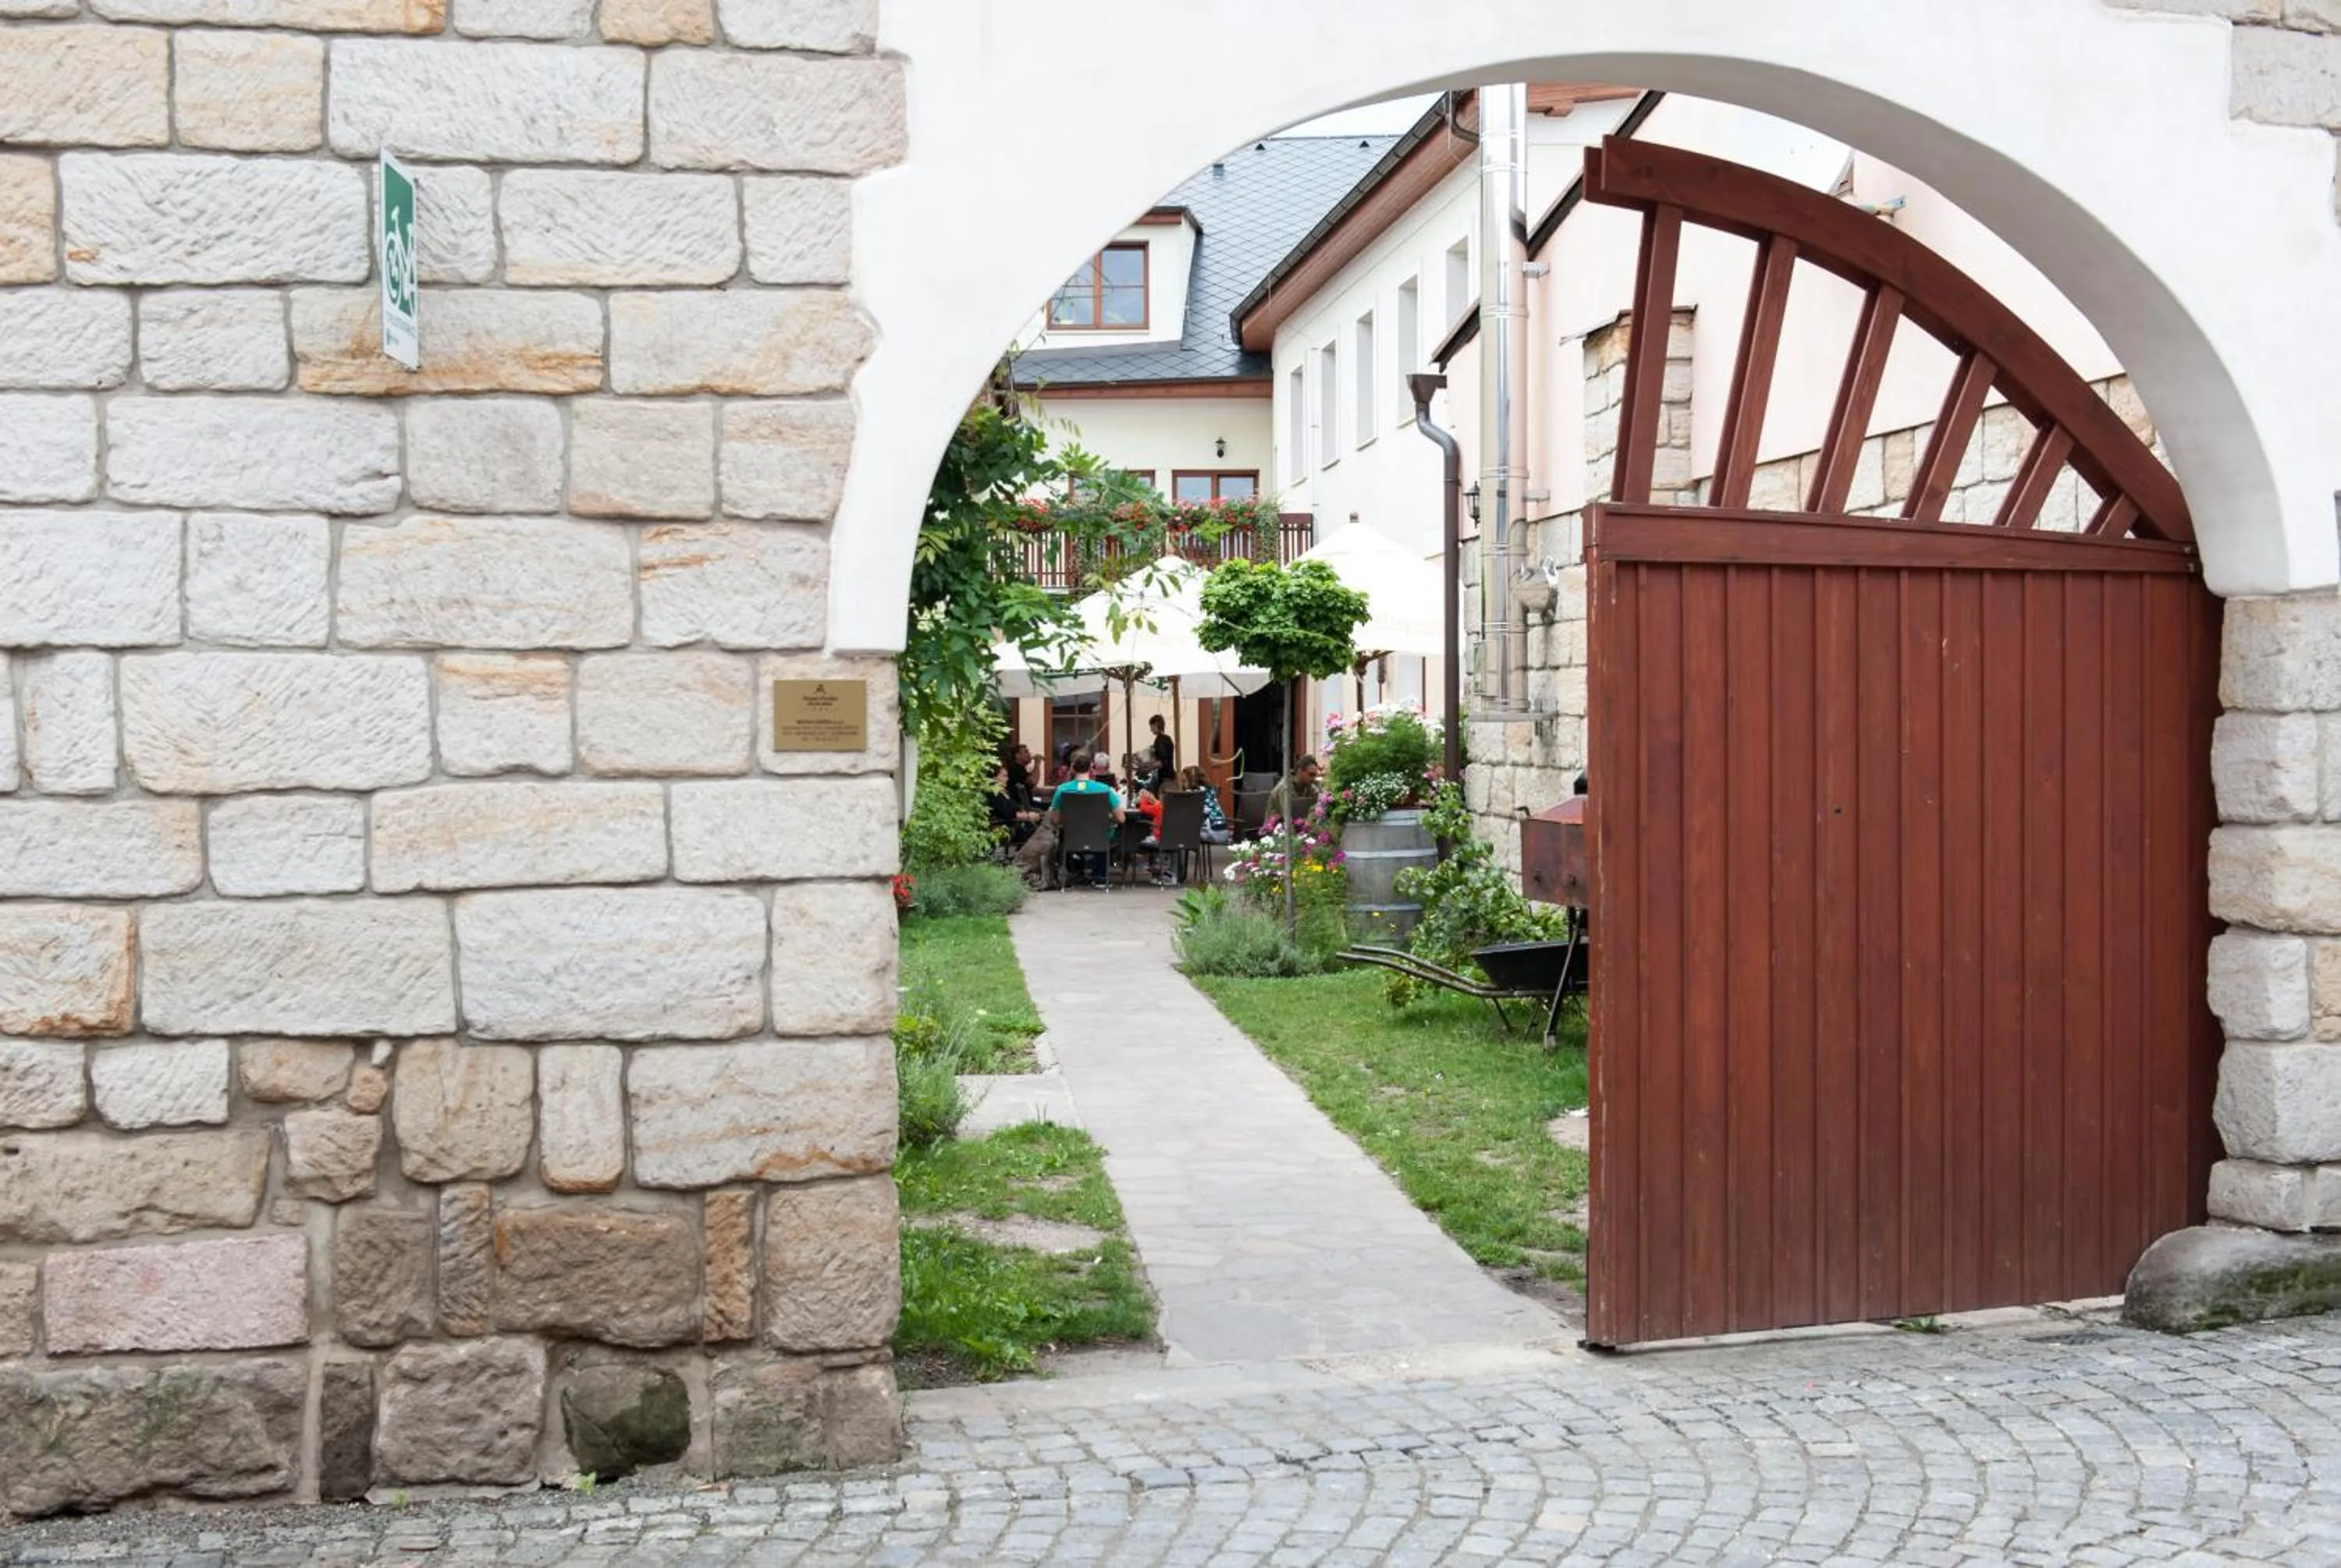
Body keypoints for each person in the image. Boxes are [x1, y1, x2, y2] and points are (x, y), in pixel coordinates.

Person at [1048, 752, 1124, 889]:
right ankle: (1100, 877)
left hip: (1072, 838)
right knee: (1116, 832)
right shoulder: (1105, 789)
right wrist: (1106, 817)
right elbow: (1121, 818)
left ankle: (1075, 872)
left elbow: (1054, 820)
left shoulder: (1062, 790)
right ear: (1091, 768)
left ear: (1072, 768)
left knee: (1063, 834)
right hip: (1099, 838)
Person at [987, 761, 1041, 849]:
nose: (1007, 779)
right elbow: (1007, 812)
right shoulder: (994, 793)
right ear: (994, 778)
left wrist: (1024, 811)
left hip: (1012, 824)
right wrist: (1027, 816)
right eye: (1004, 776)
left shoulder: (1002, 792)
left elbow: (1013, 807)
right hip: (1004, 827)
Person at [1266, 754, 1323, 828]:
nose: (1314, 778)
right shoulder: (1285, 788)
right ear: (1300, 771)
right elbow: (1288, 818)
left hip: (1297, 826)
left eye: (1315, 775)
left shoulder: (1308, 784)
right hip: (1276, 831)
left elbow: (1320, 800)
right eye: (1311, 775)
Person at [1179, 765, 1232, 846]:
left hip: (1211, 833)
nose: (1184, 784)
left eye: (1185, 781)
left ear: (1192, 780)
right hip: (1224, 832)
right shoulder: (1210, 791)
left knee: (1179, 830)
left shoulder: (1194, 793)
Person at [1147, 714, 1175, 780]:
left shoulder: (1160, 741)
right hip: (1170, 775)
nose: (1151, 729)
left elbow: (1162, 762)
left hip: (1165, 778)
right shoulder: (1167, 739)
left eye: (1152, 726)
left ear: (1157, 724)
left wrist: (1147, 766)